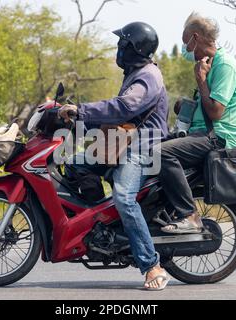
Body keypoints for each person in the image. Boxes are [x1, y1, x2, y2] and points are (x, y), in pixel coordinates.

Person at [58, 22, 170, 290]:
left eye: (123, 44)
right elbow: (119, 115)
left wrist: (82, 110)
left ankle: (152, 265)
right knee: (74, 165)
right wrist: (73, 115)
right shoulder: (133, 73)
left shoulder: (148, 77)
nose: (119, 49)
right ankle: (103, 227)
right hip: (123, 143)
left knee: (124, 197)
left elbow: (124, 108)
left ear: (135, 49)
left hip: (142, 149)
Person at [158, 12, 236, 234]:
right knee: (144, 146)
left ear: (195, 38)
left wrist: (200, 80)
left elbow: (216, 112)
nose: (184, 49)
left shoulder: (225, 66)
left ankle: (190, 215)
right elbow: (207, 106)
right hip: (202, 134)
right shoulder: (210, 63)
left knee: (160, 153)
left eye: (185, 42)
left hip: (218, 138)